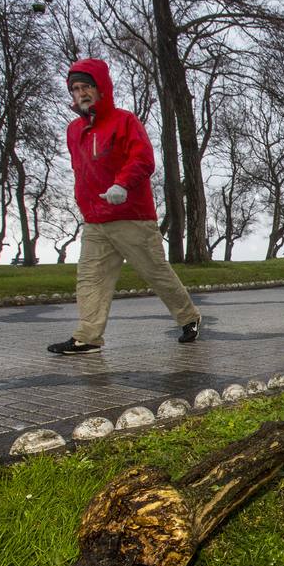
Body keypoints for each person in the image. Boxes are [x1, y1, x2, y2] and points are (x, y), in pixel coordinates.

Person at [48, 57, 201, 355]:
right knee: (90, 278)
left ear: (101, 89)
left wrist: (122, 184)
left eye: (87, 87)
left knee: (155, 272)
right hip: (95, 219)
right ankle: (88, 337)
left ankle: (189, 317)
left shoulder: (124, 121)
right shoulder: (73, 130)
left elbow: (143, 159)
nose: (81, 94)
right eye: (75, 89)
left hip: (131, 216)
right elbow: (83, 171)